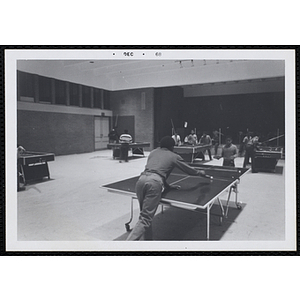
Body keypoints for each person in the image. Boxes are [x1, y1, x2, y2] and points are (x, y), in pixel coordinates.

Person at [126, 136, 211, 241]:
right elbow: (188, 170)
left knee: (144, 216)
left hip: (141, 181)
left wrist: (167, 186)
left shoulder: (153, 152)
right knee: (145, 219)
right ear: (172, 146)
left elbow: (155, 170)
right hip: (154, 183)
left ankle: (148, 242)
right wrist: (200, 173)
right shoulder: (174, 156)